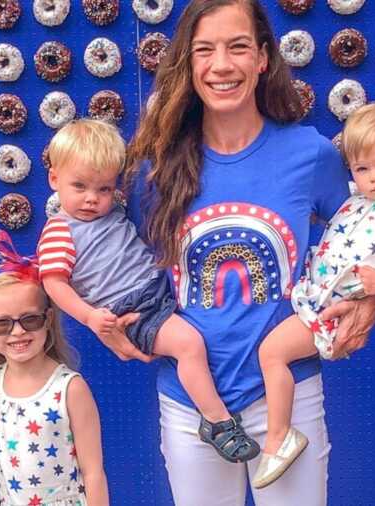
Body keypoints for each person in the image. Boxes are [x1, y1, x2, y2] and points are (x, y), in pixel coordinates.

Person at [118, 0, 375, 502]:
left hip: (287, 394)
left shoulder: (309, 154)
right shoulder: (154, 170)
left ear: (264, 58)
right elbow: (122, 271)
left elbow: (367, 230)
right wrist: (111, 321)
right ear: (188, 62)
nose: (221, 64)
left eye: (238, 47)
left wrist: (371, 296)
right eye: (205, 50)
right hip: (191, 407)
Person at [38, 119, 260, 464]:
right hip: (133, 309)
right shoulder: (60, 232)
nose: (91, 199)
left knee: (210, 331)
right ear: (54, 179)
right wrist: (89, 317)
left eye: (104, 190)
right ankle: (217, 421)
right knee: (189, 345)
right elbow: (53, 283)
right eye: (79, 186)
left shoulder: (114, 212)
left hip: (161, 288)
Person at [253, 102, 375, 488]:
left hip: (332, 312)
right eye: (363, 168)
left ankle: (279, 436)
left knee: (272, 353)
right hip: (311, 295)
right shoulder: (355, 199)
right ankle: (279, 432)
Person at [0, 231, 108, 506]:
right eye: (3, 324)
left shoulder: (69, 387)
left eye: (29, 320)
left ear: (48, 319)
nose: (17, 332)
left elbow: (93, 473)